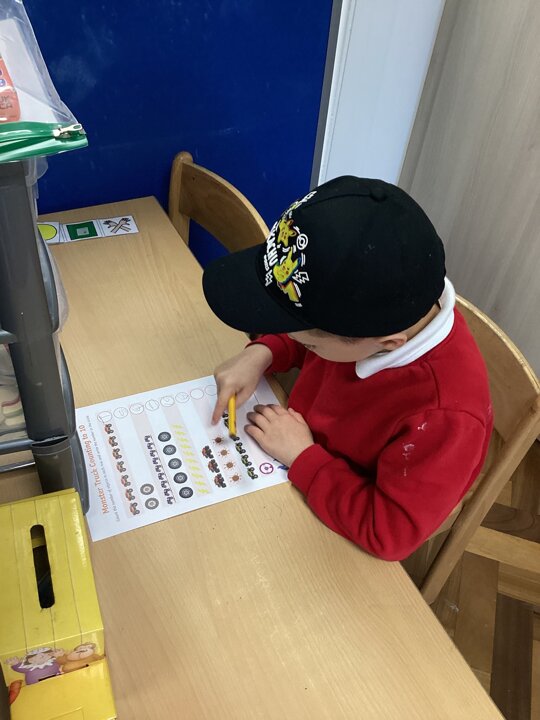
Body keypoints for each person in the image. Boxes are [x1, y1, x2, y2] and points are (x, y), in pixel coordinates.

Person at [202, 176, 492, 561]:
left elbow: (388, 532)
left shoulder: (444, 419)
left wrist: (303, 456)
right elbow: (315, 330)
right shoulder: (374, 309)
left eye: (309, 343)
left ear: (387, 344)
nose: (302, 343)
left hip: (332, 520)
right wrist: (265, 352)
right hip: (299, 454)